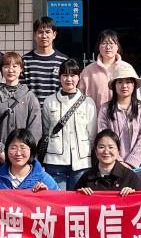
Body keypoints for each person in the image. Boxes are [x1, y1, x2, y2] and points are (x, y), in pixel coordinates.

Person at [75, 129, 141, 238]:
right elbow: (72, 207)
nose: (106, 151)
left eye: (111, 147)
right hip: (95, 232)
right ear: (95, 151)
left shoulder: (129, 176)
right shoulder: (87, 177)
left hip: (122, 233)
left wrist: (134, 195)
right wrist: (80, 195)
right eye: (101, 147)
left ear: (118, 150)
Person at [0, 52, 42, 175]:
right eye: (6, 66)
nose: (10, 70)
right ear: (1, 70)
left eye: (15, 66)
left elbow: (36, 129)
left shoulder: (30, 97)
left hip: (24, 161)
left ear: (21, 69)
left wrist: (22, 152)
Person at [41, 58, 98, 190]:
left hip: (81, 161)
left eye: (73, 75)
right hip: (55, 160)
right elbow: (45, 131)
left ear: (79, 77)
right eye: (65, 75)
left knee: (78, 198)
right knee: (57, 197)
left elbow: (92, 134)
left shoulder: (88, 102)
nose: (69, 79)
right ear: (59, 77)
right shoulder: (49, 101)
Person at [97, 61, 141, 187]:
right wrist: (118, 162)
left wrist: (130, 162)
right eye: (120, 82)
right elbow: (103, 137)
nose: (124, 86)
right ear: (114, 85)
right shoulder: (105, 109)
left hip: (140, 168)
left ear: (134, 85)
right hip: (113, 168)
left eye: (128, 82)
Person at [22, 17, 69, 106]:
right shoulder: (25, 61)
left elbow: (67, 89)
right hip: (32, 111)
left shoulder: (63, 61)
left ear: (54, 35)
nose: (44, 36)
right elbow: (21, 91)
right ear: (34, 35)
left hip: (57, 110)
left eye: (48, 32)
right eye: (40, 32)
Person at [78, 28, 122, 108]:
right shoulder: (88, 71)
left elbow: (136, 98)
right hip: (94, 115)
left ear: (117, 47)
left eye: (111, 43)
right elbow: (79, 97)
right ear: (99, 47)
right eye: (104, 43)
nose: (108, 47)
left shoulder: (126, 68)